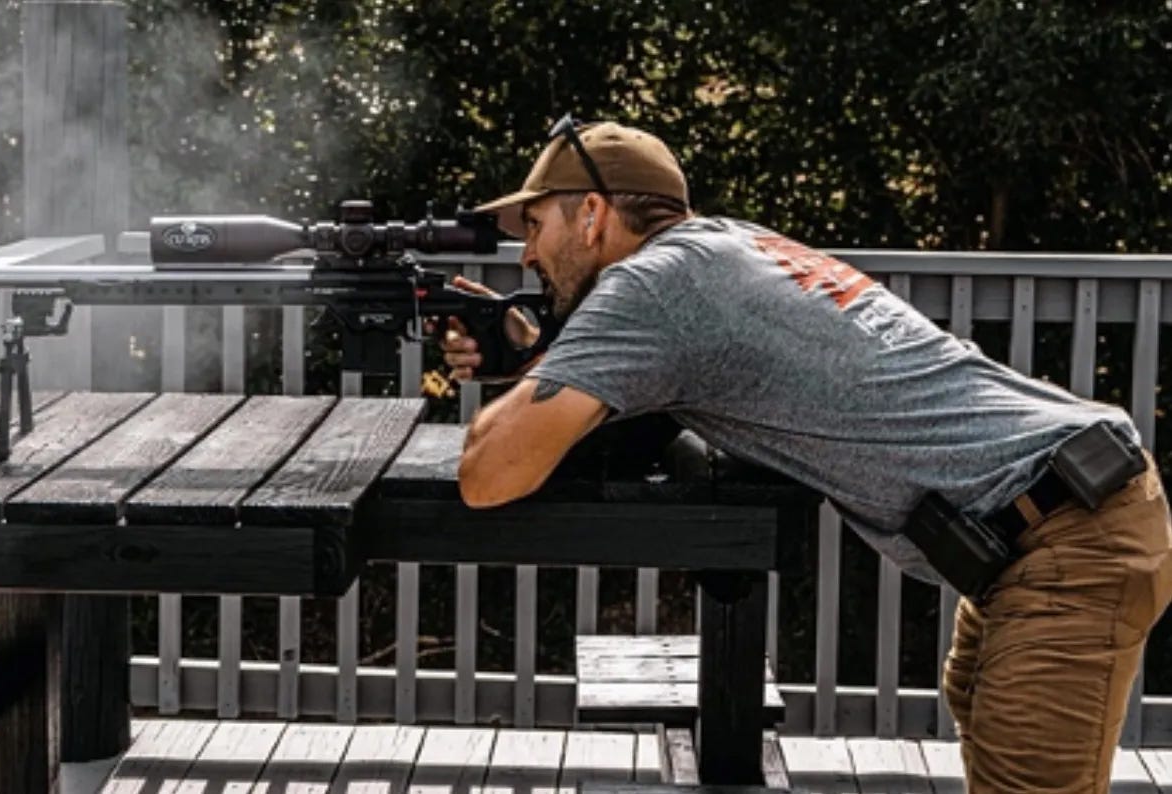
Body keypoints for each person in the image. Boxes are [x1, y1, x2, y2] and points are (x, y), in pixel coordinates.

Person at [441, 115, 1172, 793]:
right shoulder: (728, 245)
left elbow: (488, 475)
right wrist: (535, 358)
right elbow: (668, 377)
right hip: (1051, 507)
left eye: (536, 224)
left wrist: (538, 377)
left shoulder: (649, 285)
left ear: (593, 215)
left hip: (1067, 540)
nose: (528, 251)